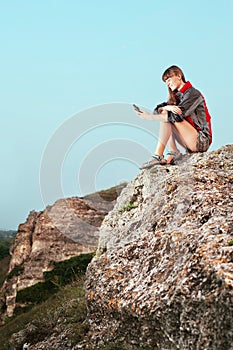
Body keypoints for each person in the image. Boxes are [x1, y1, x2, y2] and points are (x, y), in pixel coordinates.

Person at [134, 65, 212, 169]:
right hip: (189, 140)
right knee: (165, 113)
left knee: (168, 116)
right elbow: (157, 110)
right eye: (166, 82)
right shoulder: (177, 96)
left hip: (201, 141)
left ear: (179, 76)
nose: (168, 84)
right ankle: (173, 151)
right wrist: (167, 107)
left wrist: (150, 117)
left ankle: (158, 155)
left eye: (169, 79)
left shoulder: (193, 93)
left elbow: (178, 116)